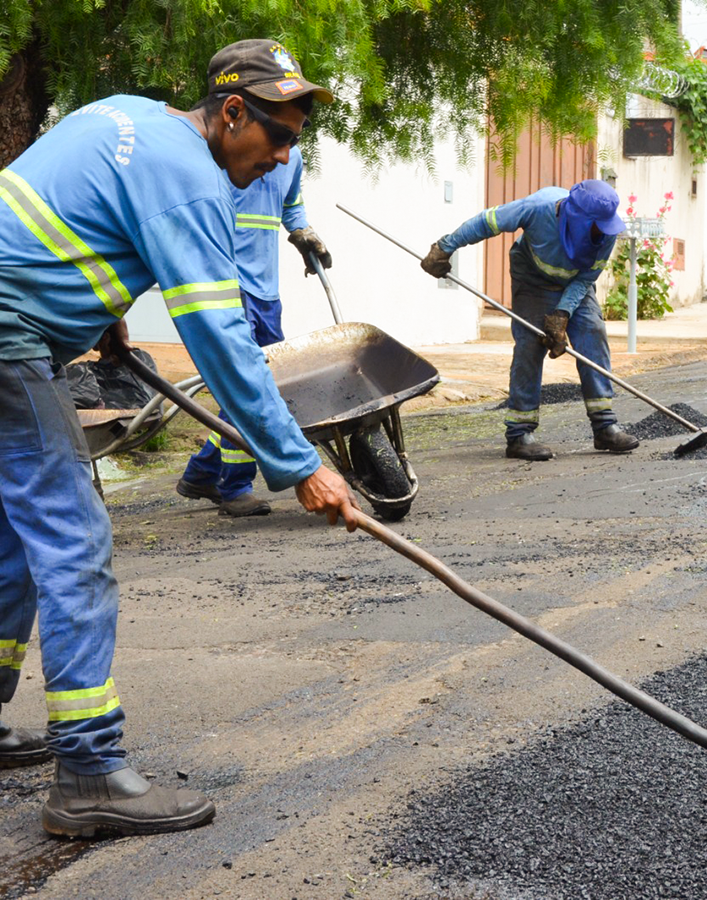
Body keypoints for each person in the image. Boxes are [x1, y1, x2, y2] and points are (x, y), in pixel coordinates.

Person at [0, 38, 359, 838]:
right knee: (72, 538)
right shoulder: (192, 179)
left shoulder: (129, 115)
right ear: (232, 112)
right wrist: (300, 465)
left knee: (18, 538)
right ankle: (90, 772)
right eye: (278, 137)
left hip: (15, 323)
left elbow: (65, 211)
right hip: (6, 336)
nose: (281, 158)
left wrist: (107, 321)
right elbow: (221, 339)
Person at [419, 180, 641, 461]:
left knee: (592, 332)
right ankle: (519, 434)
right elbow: (486, 222)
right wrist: (445, 247)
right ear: (576, 217)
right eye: (596, 225)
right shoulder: (537, 209)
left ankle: (605, 426)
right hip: (532, 278)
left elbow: (586, 278)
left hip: (575, 284)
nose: (602, 230)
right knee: (529, 345)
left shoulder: (607, 231)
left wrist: (562, 314)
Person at [177, 146, 332, 517]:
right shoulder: (226, 152)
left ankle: (203, 471)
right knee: (248, 383)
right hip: (228, 286)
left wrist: (302, 232)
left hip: (266, 292)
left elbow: (291, 204)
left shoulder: (291, 158)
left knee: (265, 384)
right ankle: (235, 487)